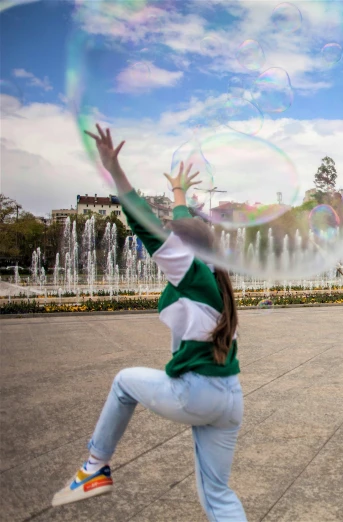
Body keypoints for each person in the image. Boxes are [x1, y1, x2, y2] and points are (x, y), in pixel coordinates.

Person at [52, 125, 246, 520]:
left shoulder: (192, 274)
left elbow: (144, 224)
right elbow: (188, 229)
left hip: (199, 392)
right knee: (218, 495)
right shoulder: (211, 273)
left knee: (124, 381)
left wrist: (114, 171)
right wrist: (178, 195)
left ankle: (94, 467)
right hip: (230, 397)